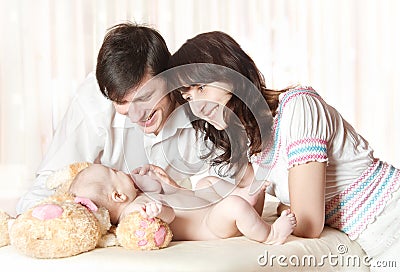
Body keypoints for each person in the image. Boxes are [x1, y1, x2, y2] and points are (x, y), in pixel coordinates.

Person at [168, 31, 400, 263]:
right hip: (371, 240)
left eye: (201, 88)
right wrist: (176, 192)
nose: (197, 106)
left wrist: (281, 208)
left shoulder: (299, 108)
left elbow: (308, 224)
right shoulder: (251, 140)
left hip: (392, 220)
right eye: (188, 98)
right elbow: (247, 204)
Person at [16, 22, 245, 214]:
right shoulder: (94, 101)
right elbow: (49, 183)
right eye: (122, 103)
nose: (136, 113)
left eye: (145, 97)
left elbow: (232, 193)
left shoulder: (200, 105)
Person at [69, 163, 297, 244]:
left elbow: (177, 197)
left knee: (206, 182)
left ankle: (243, 194)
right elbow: (169, 217)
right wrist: (159, 212)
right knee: (234, 206)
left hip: (205, 204)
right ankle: (270, 235)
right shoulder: (134, 214)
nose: (122, 171)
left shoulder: (138, 199)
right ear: (118, 196)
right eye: (115, 171)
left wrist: (165, 182)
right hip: (209, 225)